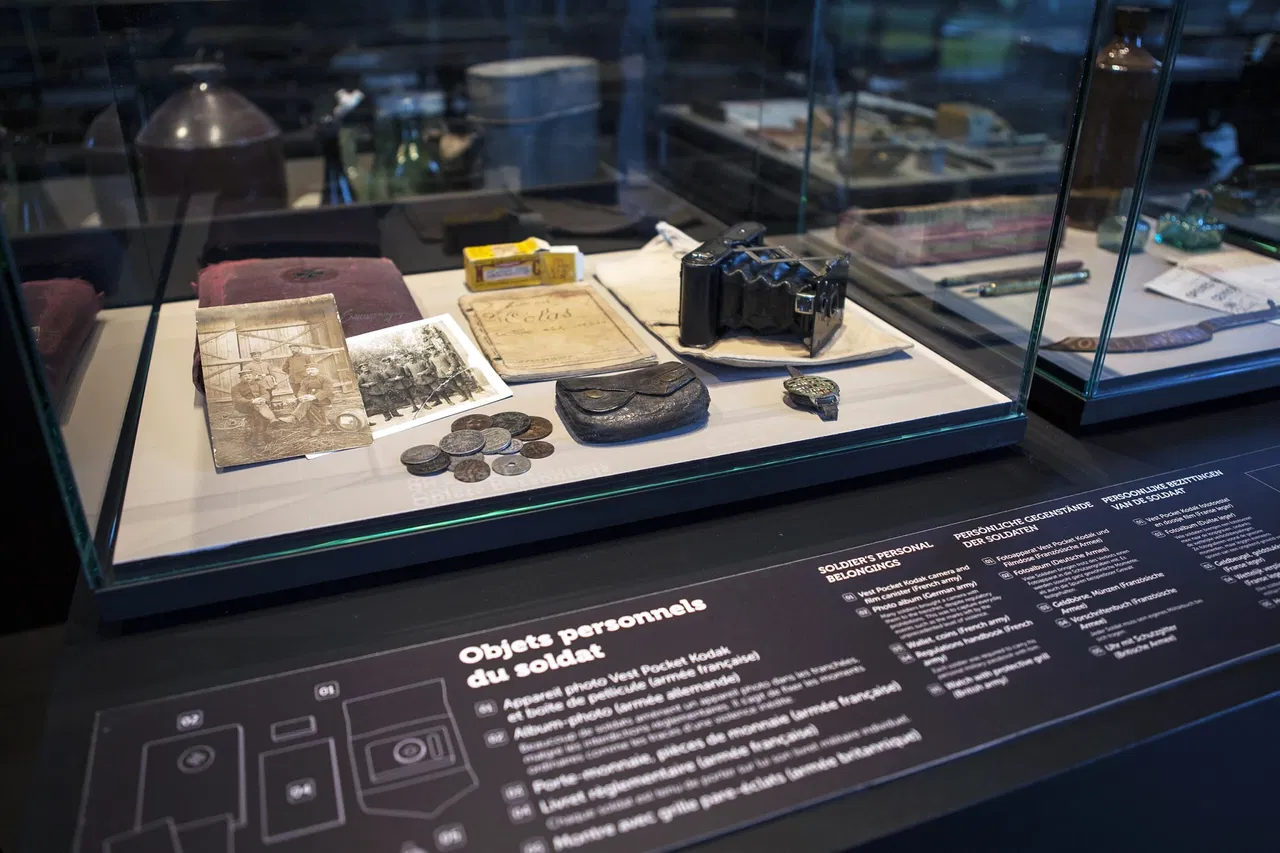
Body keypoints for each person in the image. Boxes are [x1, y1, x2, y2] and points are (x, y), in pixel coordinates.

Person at [231, 369, 285, 443]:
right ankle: (271, 420)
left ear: (252, 376)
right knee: (259, 410)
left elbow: (265, 394)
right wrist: (252, 401)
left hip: (259, 404)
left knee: (259, 413)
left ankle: (259, 436)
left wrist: (263, 399)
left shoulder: (259, 384)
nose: (248, 377)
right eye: (245, 376)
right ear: (240, 378)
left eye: (249, 375)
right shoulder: (236, 387)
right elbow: (238, 399)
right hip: (245, 406)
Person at [290, 364, 335, 437]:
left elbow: (328, 390)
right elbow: (302, 390)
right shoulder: (305, 380)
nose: (310, 371)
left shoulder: (325, 378)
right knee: (308, 404)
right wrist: (301, 397)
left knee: (307, 402)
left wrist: (314, 396)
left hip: (324, 399)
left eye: (312, 369)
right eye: (308, 370)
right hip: (310, 400)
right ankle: (318, 427)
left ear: (317, 370)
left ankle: (294, 417)